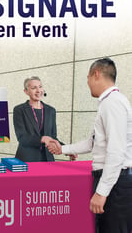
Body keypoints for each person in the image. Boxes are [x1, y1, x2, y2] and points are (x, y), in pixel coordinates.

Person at [46, 58, 132, 233]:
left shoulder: (112, 103)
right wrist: (62, 149)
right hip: (114, 182)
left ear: (96, 74)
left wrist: (102, 192)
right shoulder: (109, 102)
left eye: (87, 78)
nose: (87, 83)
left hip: (115, 185)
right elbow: (93, 142)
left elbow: (116, 151)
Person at [13, 76, 64, 162]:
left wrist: (67, 150)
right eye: (33, 88)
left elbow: (53, 137)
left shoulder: (51, 110)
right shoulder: (19, 110)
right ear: (26, 91)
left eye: (40, 87)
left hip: (47, 159)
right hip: (27, 159)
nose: (38, 91)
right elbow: (22, 138)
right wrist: (42, 139)